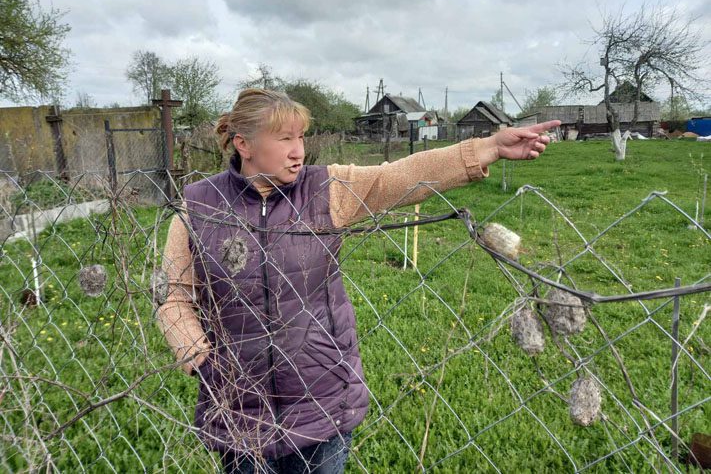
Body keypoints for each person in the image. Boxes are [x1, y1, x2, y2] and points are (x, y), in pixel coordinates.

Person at [156, 88, 560, 473]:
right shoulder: (197, 206)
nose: (299, 151)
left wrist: (489, 147)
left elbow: (398, 177)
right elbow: (173, 297)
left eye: (301, 137)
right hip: (237, 409)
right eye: (284, 139)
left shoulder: (324, 190)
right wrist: (202, 361)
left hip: (322, 401)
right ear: (244, 145)